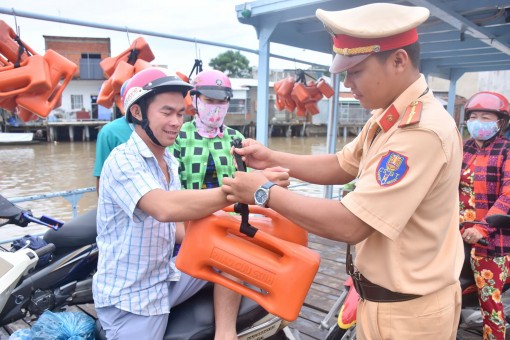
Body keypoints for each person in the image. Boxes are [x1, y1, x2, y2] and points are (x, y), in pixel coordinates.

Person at [222, 3, 464, 339]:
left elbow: (352, 224)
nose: (348, 83)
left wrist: (263, 192)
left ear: (398, 61)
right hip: (381, 301)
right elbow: (341, 163)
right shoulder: (388, 115)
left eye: (356, 71)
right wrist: (270, 156)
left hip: (410, 313)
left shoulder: (420, 131)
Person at [92, 67, 289, 340]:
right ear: (137, 113)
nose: (175, 121)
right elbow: (165, 208)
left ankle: (225, 333)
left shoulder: (169, 163)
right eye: (166, 112)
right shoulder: (123, 160)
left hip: (166, 276)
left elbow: (174, 228)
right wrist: (241, 190)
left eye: (179, 113)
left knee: (230, 250)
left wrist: (229, 230)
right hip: (133, 298)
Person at [459, 91, 510, 339]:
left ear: (500, 122)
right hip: (455, 236)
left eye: (486, 116)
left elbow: (508, 196)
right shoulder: (463, 147)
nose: (478, 121)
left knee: (491, 307)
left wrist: (481, 228)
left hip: (490, 242)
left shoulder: (506, 150)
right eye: (474, 116)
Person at [169, 69, 245, 190]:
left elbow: (246, 178)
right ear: (195, 100)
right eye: (209, 100)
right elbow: (172, 182)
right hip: (190, 207)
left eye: (221, 101)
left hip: (230, 208)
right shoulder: (178, 135)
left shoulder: (236, 137)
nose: (216, 107)